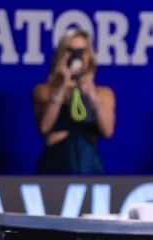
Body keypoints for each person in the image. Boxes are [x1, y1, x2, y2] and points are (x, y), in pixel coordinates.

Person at [31, 29, 115, 174]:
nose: (77, 57)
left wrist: (91, 95)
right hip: (56, 164)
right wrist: (63, 86)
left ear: (89, 56)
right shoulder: (44, 90)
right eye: (71, 51)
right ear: (61, 55)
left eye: (82, 51)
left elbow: (107, 131)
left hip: (88, 165)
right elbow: (45, 127)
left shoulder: (104, 94)